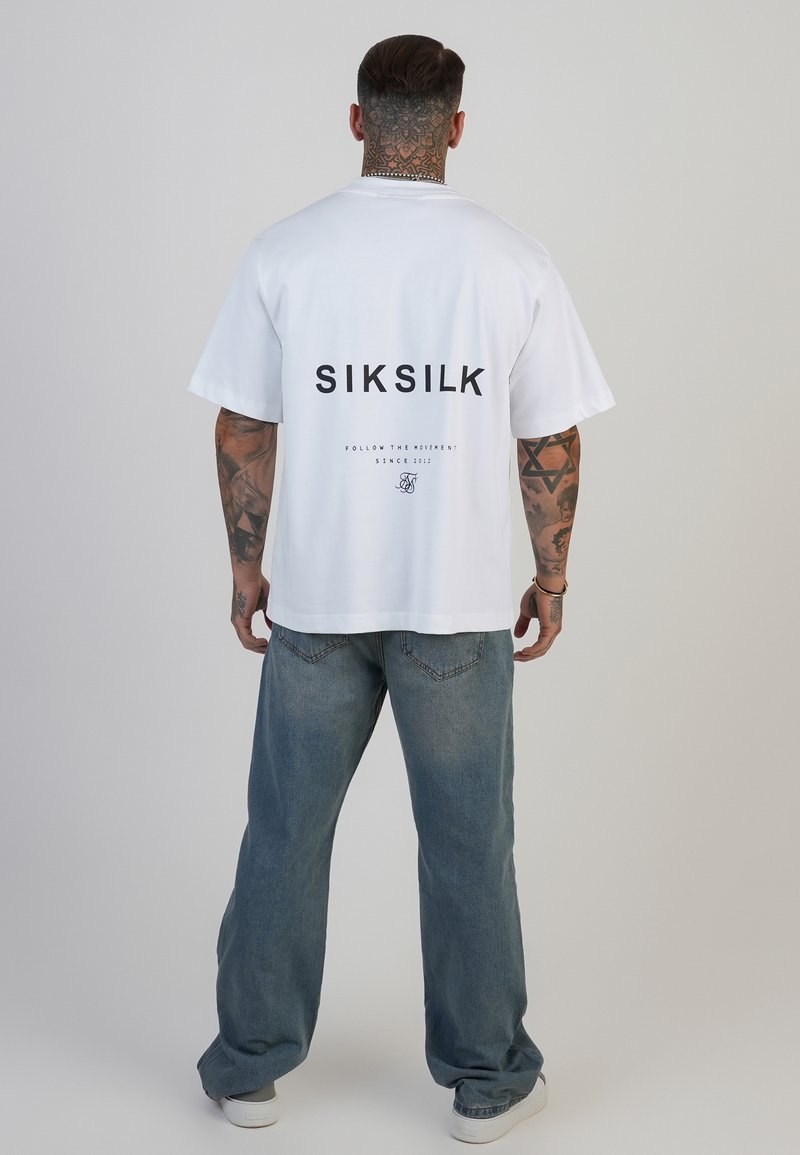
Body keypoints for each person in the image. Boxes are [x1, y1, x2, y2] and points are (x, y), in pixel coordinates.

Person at [186, 33, 616, 1144]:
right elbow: (550, 436)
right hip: (457, 606)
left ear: (355, 120)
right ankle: (487, 1080)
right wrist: (552, 573)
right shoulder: (512, 260)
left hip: (317, 605)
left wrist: (246, 562)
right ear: (457, 126)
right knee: (469, 846)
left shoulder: (286, 252)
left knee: (283, 835)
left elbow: (243, 421)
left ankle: (246, 1069)